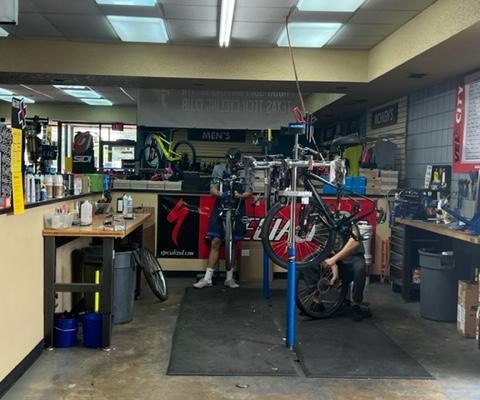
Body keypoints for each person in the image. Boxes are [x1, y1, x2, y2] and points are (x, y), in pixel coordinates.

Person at [193, 147, 255, 289]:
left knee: (232, 243)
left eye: (235, 161)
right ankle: (207, 278)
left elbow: (250, 191)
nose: (232, 163)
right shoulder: (218, 169)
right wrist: (221, 194)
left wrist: (240, 195)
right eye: (230, 160)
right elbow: (213, 189)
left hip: (238, 207)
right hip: (221, 206)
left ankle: (229, 278)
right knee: (215, 241)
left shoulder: (246, 171)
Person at [321, 235, 372, 322]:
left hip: (353, 257)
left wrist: (334, 259)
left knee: (359, 268)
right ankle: (316, 301)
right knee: (309, 263)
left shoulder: (352, 228)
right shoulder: (323, 229)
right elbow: (323, 250)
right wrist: (334, 267)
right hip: (334, 258)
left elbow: (354, 242)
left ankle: (356, 304)